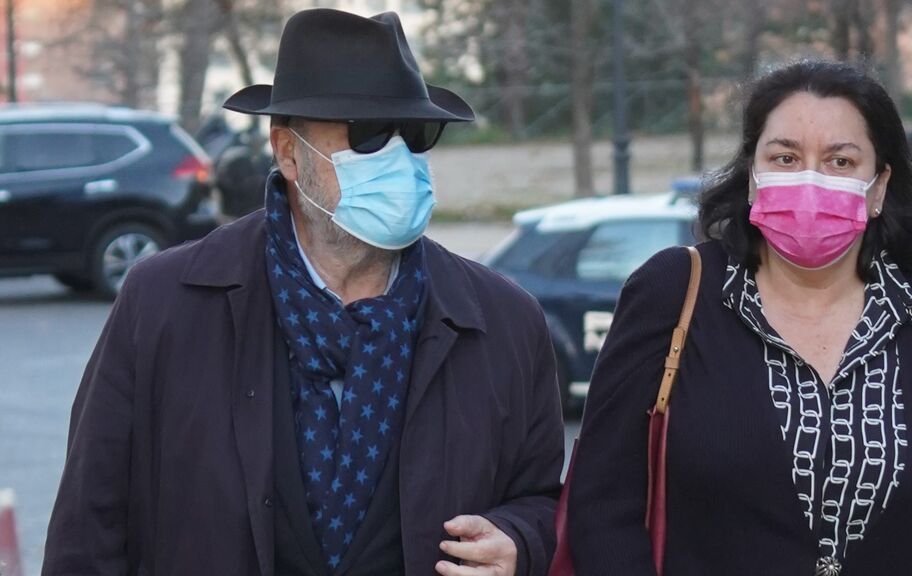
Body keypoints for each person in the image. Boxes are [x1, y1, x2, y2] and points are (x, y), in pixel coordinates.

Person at [42, 9, 564, 576]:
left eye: (416, 135)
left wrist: (520, 540)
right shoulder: (164, 302)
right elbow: (89, 524)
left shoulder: (504, 321)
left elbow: (546, 501)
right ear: (289, 153)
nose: (399, 159)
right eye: (367, 137)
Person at [566, 60, 912, 575]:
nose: (809, 180)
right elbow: (602, 501)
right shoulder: (673, 291)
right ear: (752, 176)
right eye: (784, 157)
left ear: (879, 186)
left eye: (841, 162)